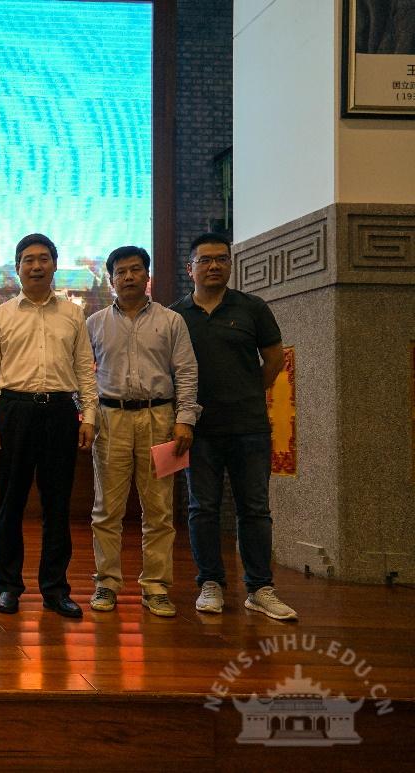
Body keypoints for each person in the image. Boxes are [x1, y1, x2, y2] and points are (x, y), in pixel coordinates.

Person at [171, 233, 298, 621]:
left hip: (249, 428)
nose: (214, 266)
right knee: (202, 508)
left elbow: (274, 359)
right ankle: (210, 583)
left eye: (221, 259)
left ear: (230, 264)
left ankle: (260, 588)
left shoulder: (252, 308)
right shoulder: (175, 316)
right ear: (190, 268)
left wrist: (248, 390)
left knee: (255, 509)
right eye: (205, 260)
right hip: (198, 430)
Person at [0, 233, 96, 618]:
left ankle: (55, 589)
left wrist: (88, 416)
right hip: (14, 411)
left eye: (43, 258)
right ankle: (8, 586)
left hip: (61, 412)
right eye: (28, 260)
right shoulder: (1, 315)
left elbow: (85, 368)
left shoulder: (73, 314)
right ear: (17, 268)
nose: (36, 266)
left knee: (57, 505)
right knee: (10, 503)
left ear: (54, 265)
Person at [85, 246, 200, 617]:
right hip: (110, 420)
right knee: (106, 509)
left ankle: (156, 587)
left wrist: (185, 419)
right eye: (121, 271)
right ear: (111, 279)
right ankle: (106, 583)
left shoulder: (171, 321)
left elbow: (186, 372)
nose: (129, 277)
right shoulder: (95, 323)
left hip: (161, 420)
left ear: (147, 275)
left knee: (160, 510)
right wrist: (87, 414)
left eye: (136, 269)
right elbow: (82, 375)